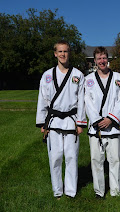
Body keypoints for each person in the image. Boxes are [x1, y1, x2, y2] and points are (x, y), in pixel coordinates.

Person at [36, 40, 87, 199]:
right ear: (55, 54)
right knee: (55, 157)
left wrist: (80, 123)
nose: (63, 54)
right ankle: (57, 191)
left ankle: (71, 191)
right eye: (60, 51)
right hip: (54, 121)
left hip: (71, 121)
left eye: (66, 51)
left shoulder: (78, 75)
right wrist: (42, 123)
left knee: (71, 157)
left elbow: (82, 101)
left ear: (69, 53)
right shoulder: (47, 75)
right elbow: (42, 100)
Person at [84, 47, 120, 198]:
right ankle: (99, 191)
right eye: (99, 58)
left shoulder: (119, 78)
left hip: (113, 126)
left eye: (104, 58)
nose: (102, 61)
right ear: (94, 61)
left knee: (115, 160)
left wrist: (111, 118)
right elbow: (87, 102)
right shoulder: (88, 80)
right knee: (96, 160)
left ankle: (115, 190)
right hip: (96, 128)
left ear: (108, 59)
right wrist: (97, 120)